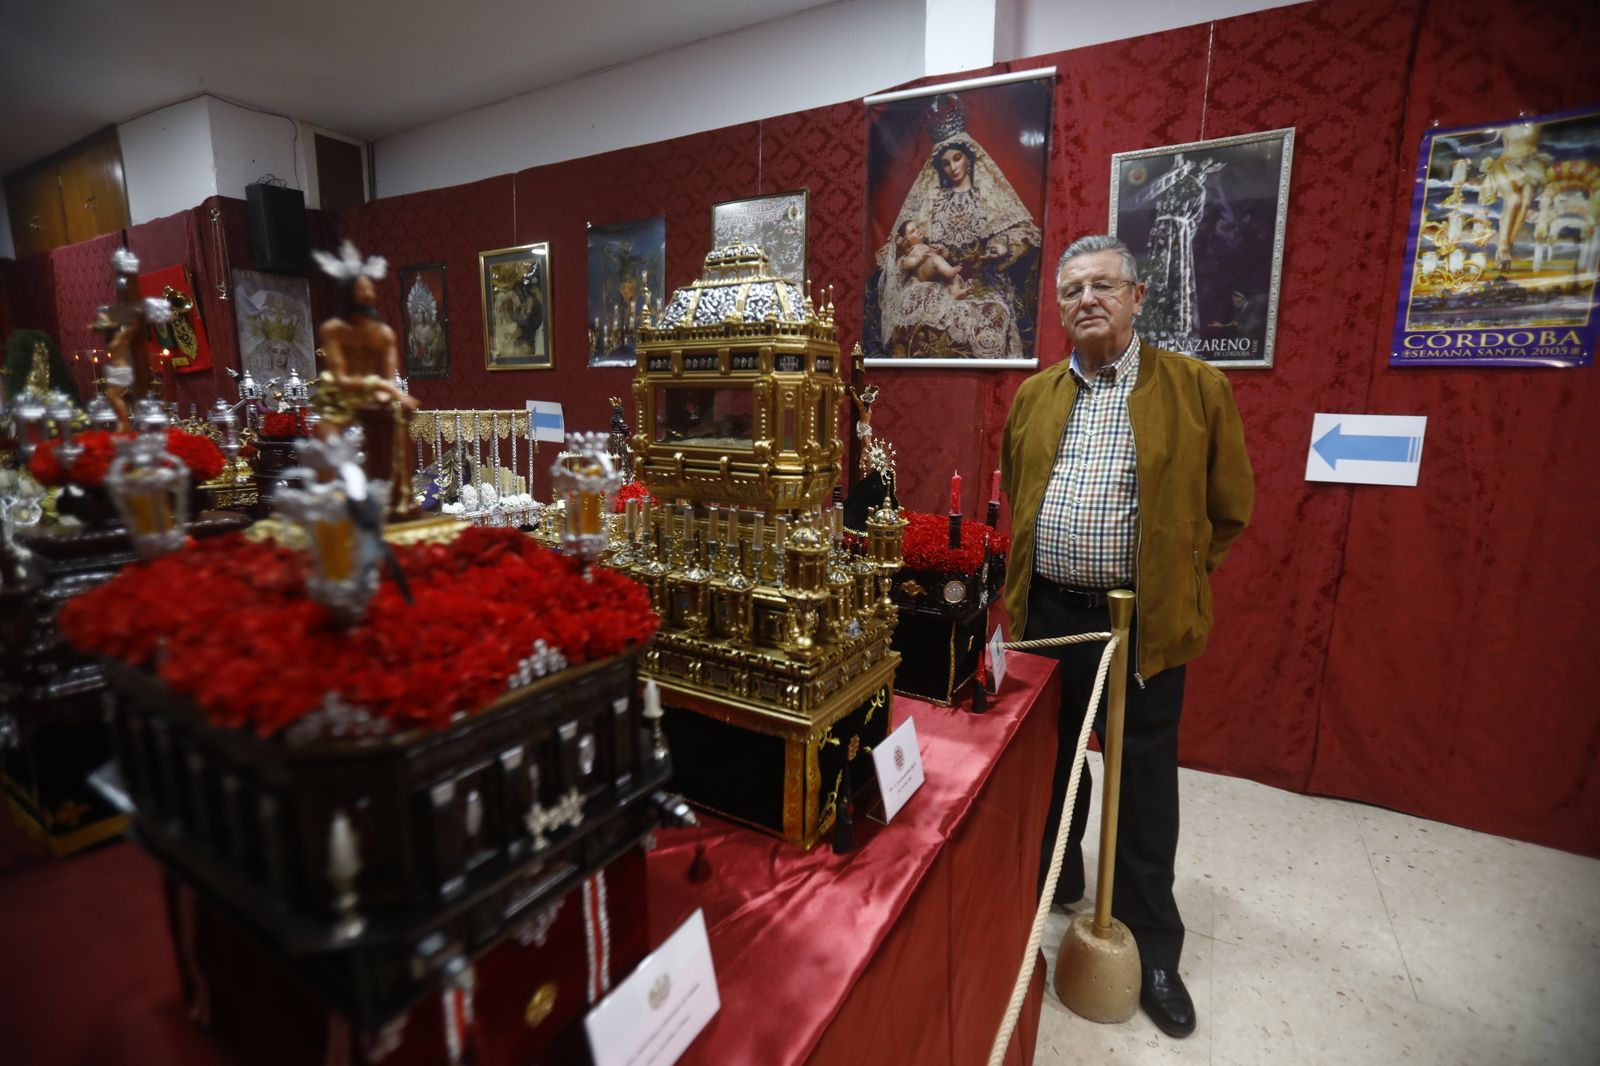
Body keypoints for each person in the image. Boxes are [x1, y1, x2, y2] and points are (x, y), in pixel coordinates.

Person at [999, 234, 1253, 1039]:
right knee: (1052, 763)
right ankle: (1052, 882)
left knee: (1142, 778)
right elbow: (1019, 488)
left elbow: (1228, 508)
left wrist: (1176, 571)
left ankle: (1152, 947)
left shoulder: (1196, 388)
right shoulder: (1035, 395)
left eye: (1103, 286)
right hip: (1050, 617)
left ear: (1138, 297)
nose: (1085, 301)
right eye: (1071, 290)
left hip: (1142, 622)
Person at [868, 94, 1040, 360]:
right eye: (945, 163)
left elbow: (1023, 232)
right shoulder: (933, 200)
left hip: (985, 283)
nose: (952, 167)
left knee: (989, 322)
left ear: (969, 159)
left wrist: (1001, 246)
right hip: (940, 282)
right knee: (914, 310)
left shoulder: (988, 196)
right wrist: (911, 250)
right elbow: (902, 242)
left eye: (957, 158)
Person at [312, 241, 421, 521]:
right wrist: (385, 388)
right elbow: (342, 378)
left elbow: (390, 375)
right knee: (330, 447)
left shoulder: (383, 333)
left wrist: (388, 395)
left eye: (370, 288)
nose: (369, 294)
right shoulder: (334, 330)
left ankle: (396, 498)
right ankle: (330, 507)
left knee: (393, 424)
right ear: (349, 295)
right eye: (362, 289)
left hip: (372, 394)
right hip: (338, 396)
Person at [895, 220, 969, 297]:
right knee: (936, 260)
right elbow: (907, 263)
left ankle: (956, 292)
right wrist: (920, 259)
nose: (918, 230)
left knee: (953, 276)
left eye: (918, 227)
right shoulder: (912, 250)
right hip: (923, 273)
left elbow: (940, 261)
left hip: (935, 270)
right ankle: (949, 271)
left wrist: (944, 253)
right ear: (906, 240)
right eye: (912, 231)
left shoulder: (928, 245)